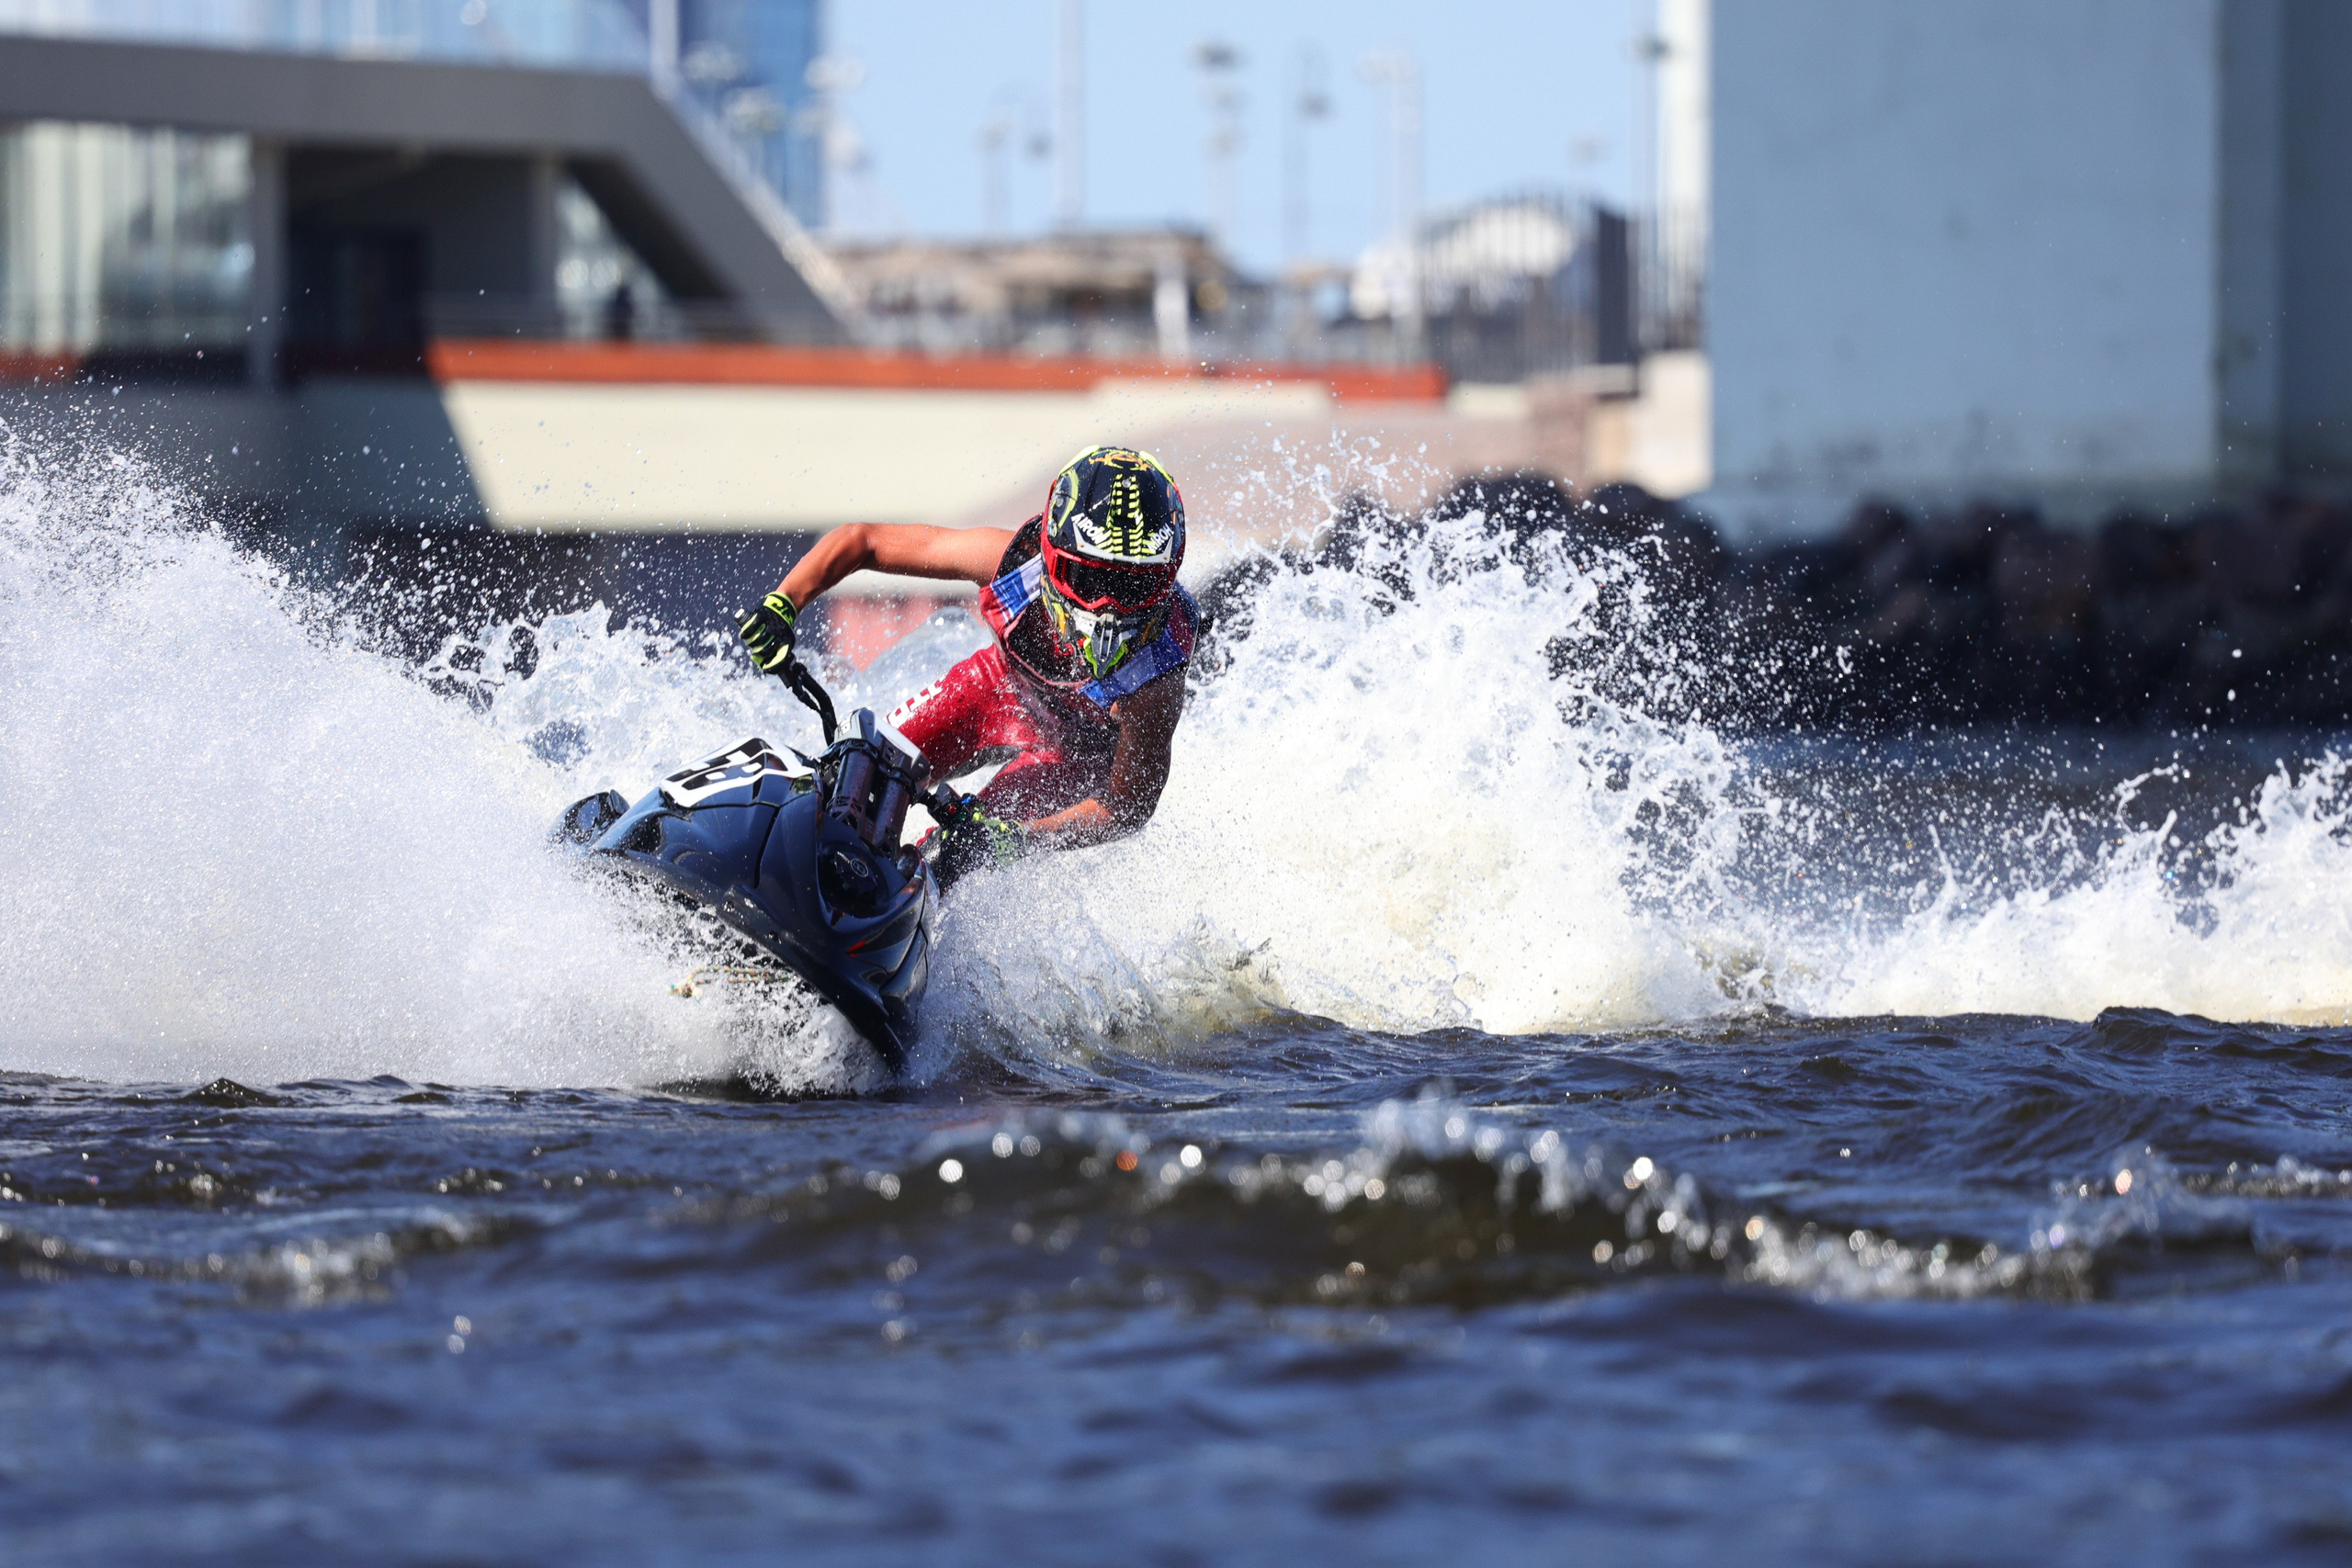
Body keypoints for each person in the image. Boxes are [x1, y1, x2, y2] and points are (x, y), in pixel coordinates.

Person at [734, 445, 1197, 887]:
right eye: (1091, 578)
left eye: (1133, 587)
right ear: (1050, 556)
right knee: (856, 777)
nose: (1108, 606)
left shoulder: (1157, 684)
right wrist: (784, 602)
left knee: (953, 855)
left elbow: (1127, 805)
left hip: (1074, 759)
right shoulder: (1010, 561)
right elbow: (865, 541)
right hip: (1000, 690)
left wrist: (1019, 839)